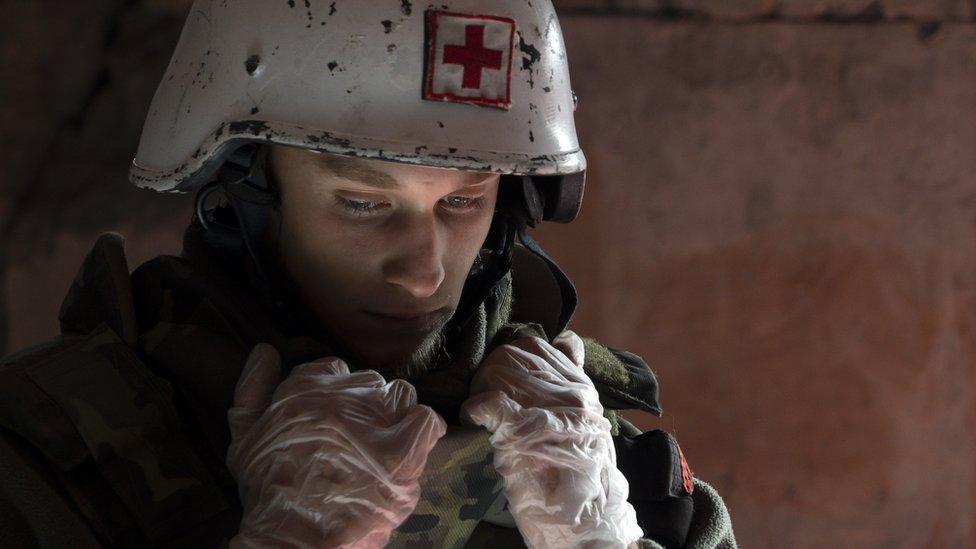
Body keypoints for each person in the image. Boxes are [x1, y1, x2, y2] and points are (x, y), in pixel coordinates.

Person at [0, 1, 736, 547]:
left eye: (461, 201)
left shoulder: (602, 459)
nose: (422, 273)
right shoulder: (46, 458)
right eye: (361, 201)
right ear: (245, 195)